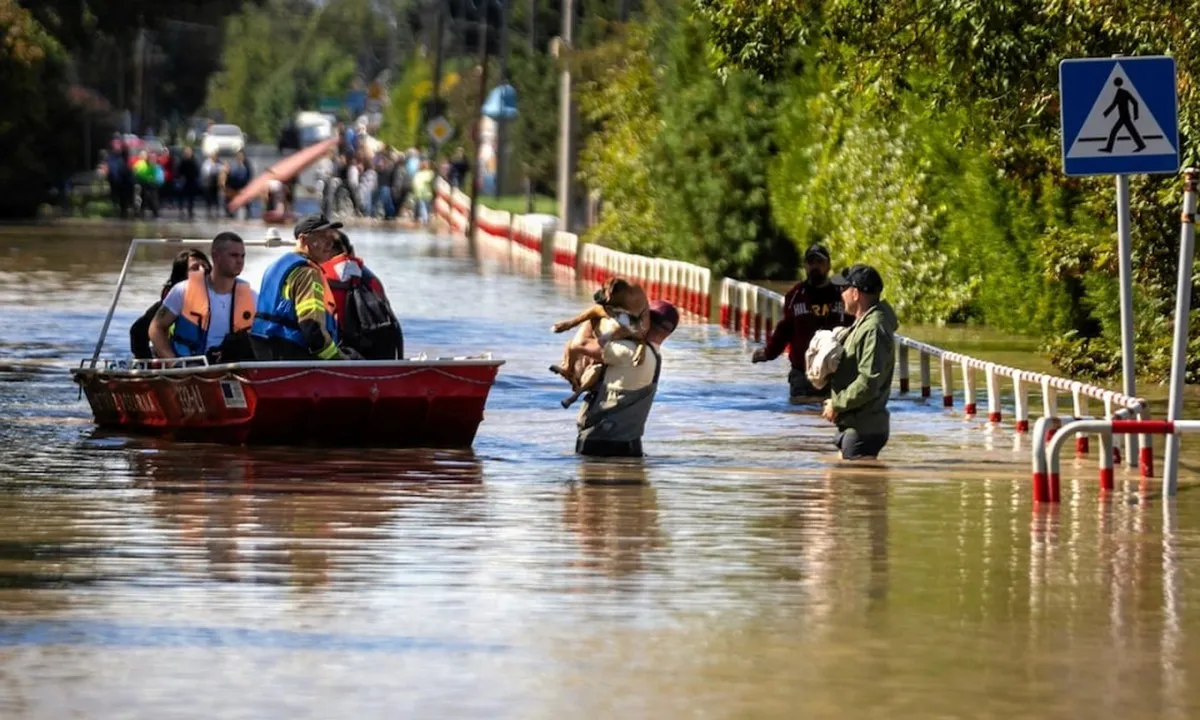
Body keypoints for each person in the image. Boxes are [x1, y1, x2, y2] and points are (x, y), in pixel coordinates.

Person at [574, 299, 679, 458]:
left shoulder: (630, 352)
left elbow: (580, 344)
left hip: (601, 444)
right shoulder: (654, 356)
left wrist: (594, 314)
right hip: (630, 445)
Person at [250, 214, 356, 361]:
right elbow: (310, 325)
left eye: (331, 237)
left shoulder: (275, 266)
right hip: (289, 351)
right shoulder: (308, 273)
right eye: (322, 237)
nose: (330, 243)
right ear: (303, 239)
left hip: (262, 346)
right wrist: (337, 358)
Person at [752, 244, 850, 402]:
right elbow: (784, 329)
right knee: (800, 416)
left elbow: (854, 327)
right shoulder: (795, 295)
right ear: (805, 266)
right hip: (801, 373)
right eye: (811, 262)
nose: (815, 266)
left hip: (834, 373)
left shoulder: (841, 294)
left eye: (819, 262)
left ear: (828, 266)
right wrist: (768, 353)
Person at [822, 264, 899, 460]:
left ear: (855, 293)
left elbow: (868, 382)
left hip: (864, 429)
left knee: (856, 489)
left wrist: (837, 404)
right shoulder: (864, 323)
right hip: (854, 425)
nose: (841, 295)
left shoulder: (874, 328)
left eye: (844, 289)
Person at [149, 234, 256, 362]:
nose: (240, 261)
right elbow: (156, 327)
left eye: (242, 256)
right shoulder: (182, 290)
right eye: (233, 255)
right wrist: (173, 363)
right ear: (216, 256)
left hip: (233, 369)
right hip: (190, 369)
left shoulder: (252, 296)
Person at [320, 232, 404, 359]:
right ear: (351, 250)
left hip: (338, 355)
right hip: (377, 355)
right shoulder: (371, 279)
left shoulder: (319, 276)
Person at [130, 250, 211, 359]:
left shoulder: (224, 298)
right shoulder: (169, 305)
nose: (203, 271)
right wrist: (147, 361)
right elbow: (137, 332)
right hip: (179, 362)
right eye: (195, 268)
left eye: (206, 267)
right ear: (182, 276)